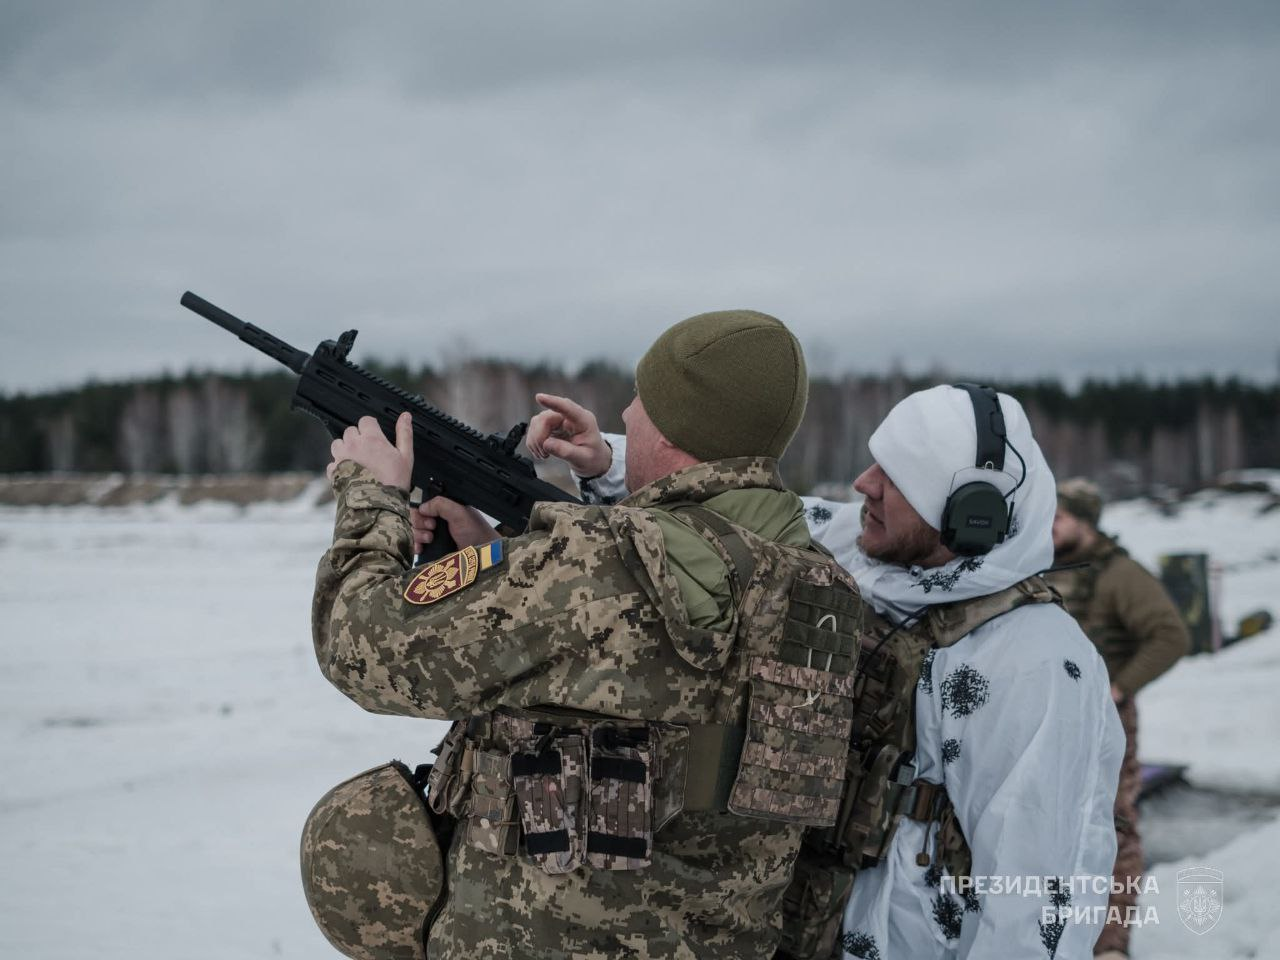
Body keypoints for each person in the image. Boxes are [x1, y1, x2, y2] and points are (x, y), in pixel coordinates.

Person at [313, 309, 864, 960]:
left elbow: (361, 646)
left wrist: (371, 496)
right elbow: (639, 673)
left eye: (642, 403)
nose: (628, 416)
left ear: (675, 431)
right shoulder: (822, 587)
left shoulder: (601, 562)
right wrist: (491, 554)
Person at [536, 384, 1125, 959]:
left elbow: (1043, 890)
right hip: (790, 922)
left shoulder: (1037, 663)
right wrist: (609, 460)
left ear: (968, 519)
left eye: (897, 478)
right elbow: (728, 519)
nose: (863, 484)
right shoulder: (858, 547)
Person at [1046, 479, 1190, 960]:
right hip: (1050, 716)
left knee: (1114, 828)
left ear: (1085, 522)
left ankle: (1110, 945)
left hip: (1105, 718)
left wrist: (1120, 686)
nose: (1049, 526)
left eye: (1059, 517)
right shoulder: (1045, 566)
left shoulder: (1120, 575)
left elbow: (1170, 635)